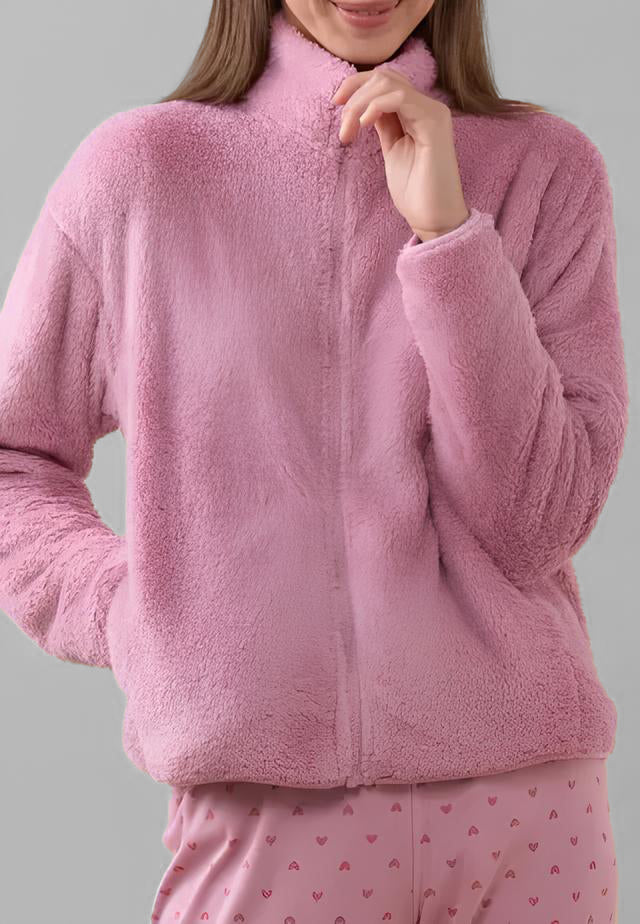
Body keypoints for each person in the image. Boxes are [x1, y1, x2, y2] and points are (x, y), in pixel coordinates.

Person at [0, 0, 628, 921]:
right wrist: (131, 609)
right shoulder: (141, 173)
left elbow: (539, 524)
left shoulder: (548, 170)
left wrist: (451, 238)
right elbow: (13, 459)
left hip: (528, 812)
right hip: (269, 820)